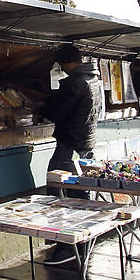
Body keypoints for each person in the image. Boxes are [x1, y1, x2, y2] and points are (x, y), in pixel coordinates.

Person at [39, 44, 105, 264]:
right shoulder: (93, 80)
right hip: (86, 145)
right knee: (80, 193)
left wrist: (42, 106)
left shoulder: (74, 83)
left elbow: (58, 113)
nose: (61, 69)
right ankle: (82, 243)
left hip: (69, 146)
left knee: (57, 192)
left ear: (67, 63)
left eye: (61, 64)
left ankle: (67, 247)